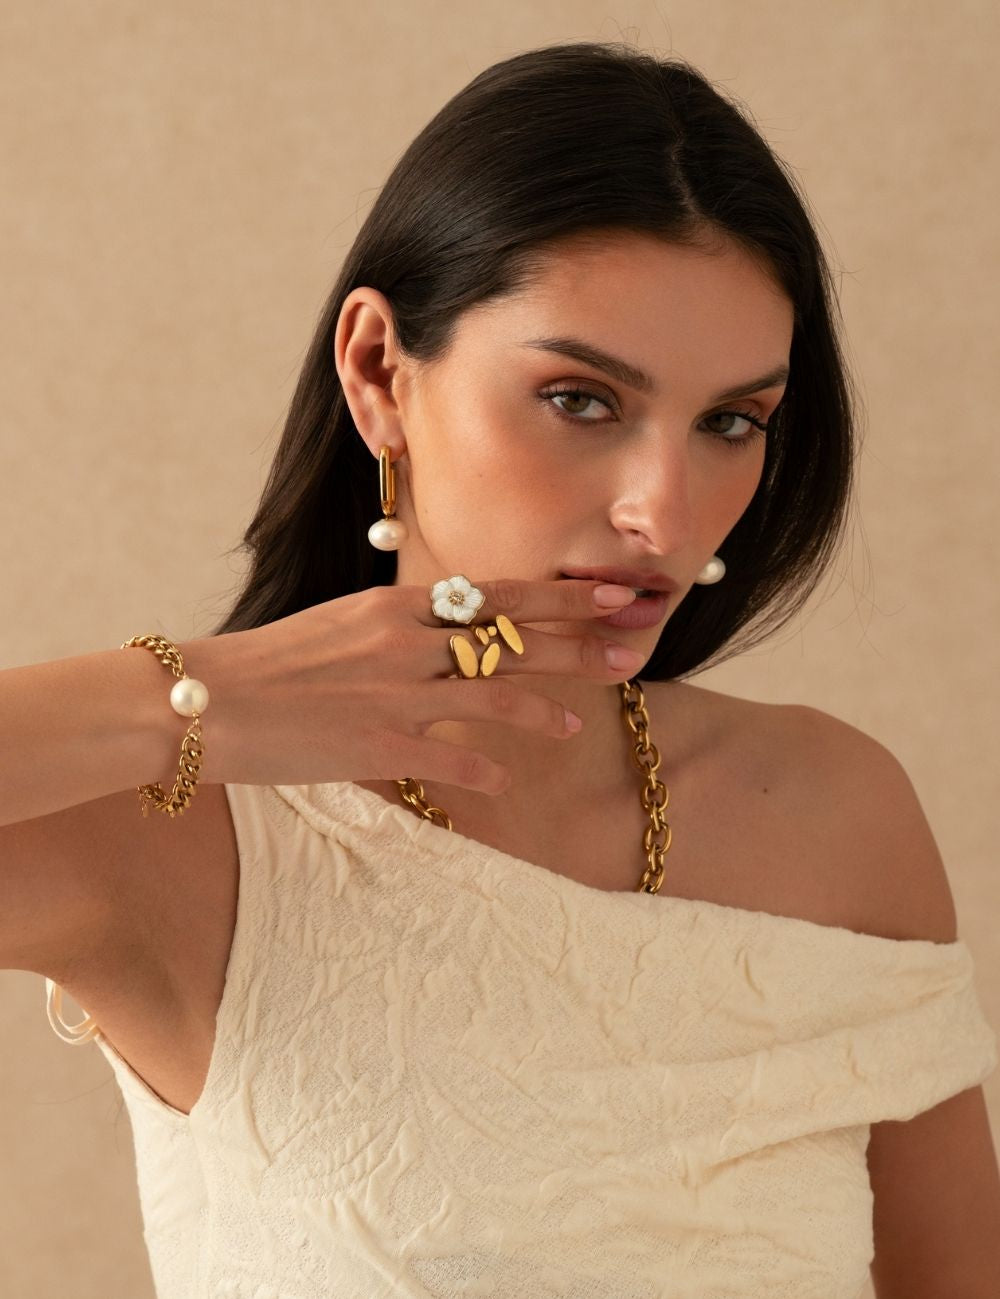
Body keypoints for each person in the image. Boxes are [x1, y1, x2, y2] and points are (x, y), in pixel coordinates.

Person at [3, 38, 998, 1299]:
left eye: (729, 421)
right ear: (378, 372)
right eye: (581, 399)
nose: (663, 513)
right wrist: (196, 696)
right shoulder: (184, 833)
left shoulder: (834, 814)